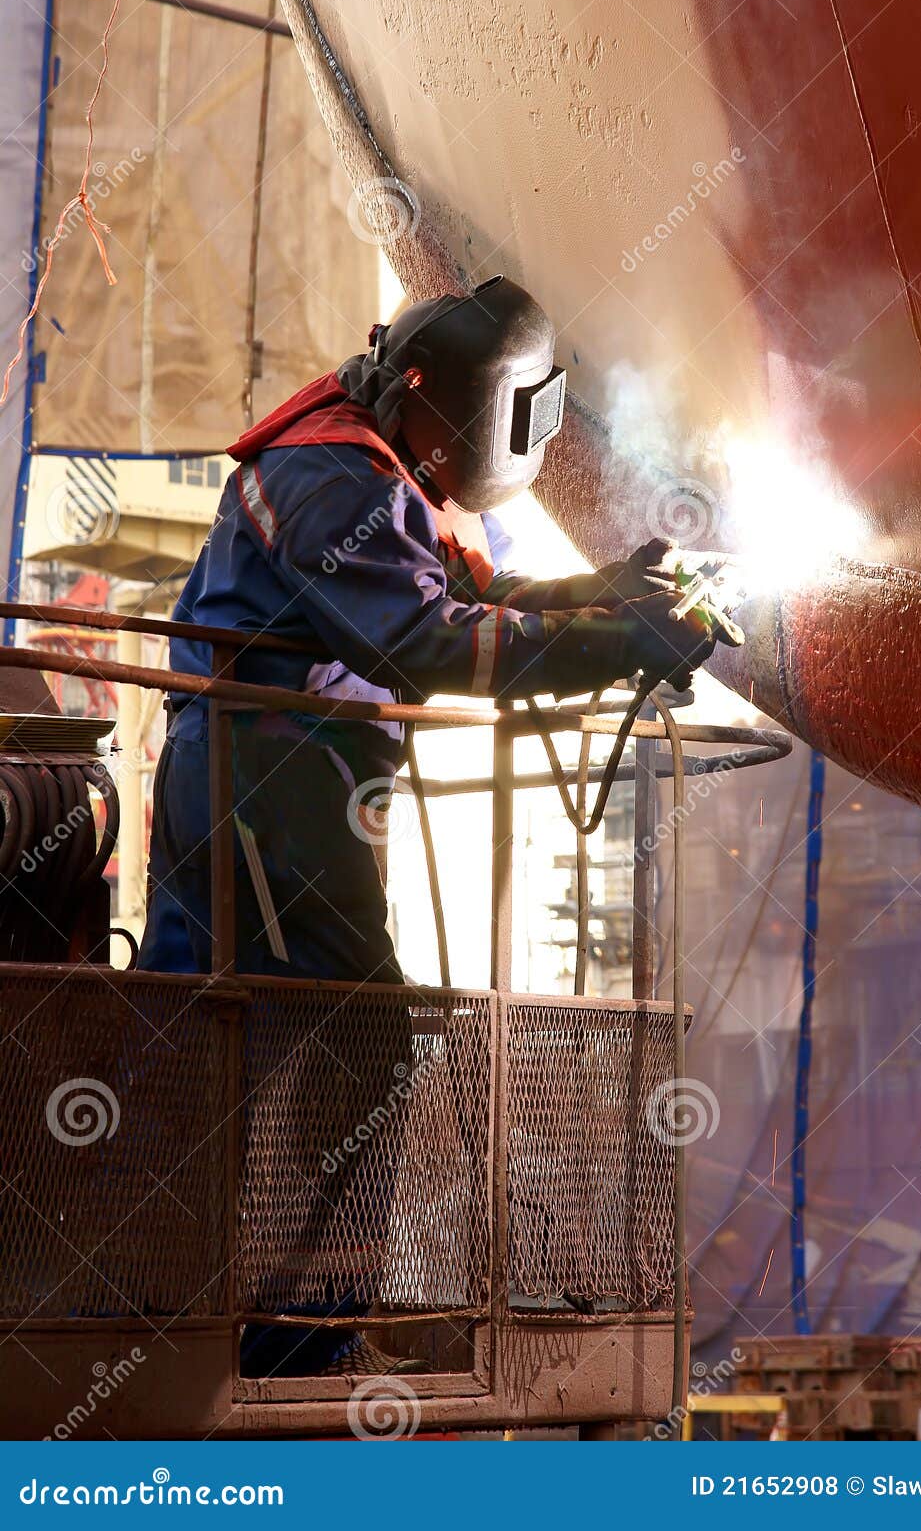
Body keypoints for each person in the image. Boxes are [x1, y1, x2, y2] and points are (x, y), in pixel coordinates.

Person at [138, 274, 711, 1375]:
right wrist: (616, 645)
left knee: (215, 1037)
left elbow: (469, 589)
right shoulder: (322, 472)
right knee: (333, 1042)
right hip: (265, 780)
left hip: (297, 782)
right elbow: (429, 642)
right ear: (427, 395)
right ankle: (286, 1341)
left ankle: (209, 1315)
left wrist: (609, 594)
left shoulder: (377, 459)